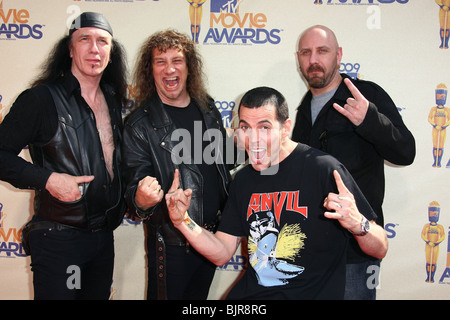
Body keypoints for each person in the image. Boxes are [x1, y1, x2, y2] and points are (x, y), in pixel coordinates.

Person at [165, 86, 388, 300]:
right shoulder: (243, 180)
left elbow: (380, 248)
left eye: (264, 127)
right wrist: (183, 221)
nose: (253, 140)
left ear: (285, 128)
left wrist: (359, 224)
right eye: (245, 127)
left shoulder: (323, 169)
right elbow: (222, 252)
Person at [0, 12, 127, 299]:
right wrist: (48, 179)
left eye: (103, 41)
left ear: (111, 52)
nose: (95, 49)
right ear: (69, 49)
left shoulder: (112, 98)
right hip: (59, 239)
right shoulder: (41, 99)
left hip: (103, 238)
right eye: (85, 39)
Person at [292, 25, 415, 299]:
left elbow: (406, 152)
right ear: (299, 58)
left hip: (355, 252)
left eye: (322, 51)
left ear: (339, 55)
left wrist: (370, 120)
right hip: (309, 249)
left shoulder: (365, 94)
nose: (314, 60)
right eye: (306, 52)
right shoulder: (303, 109)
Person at [122, 29, 235, 300]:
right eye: (160, 61)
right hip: (173, 245)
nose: (169, 69)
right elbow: (134, 200)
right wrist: (142, 197)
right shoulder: (139, 125)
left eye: (177, 60)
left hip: (211, 238)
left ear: (189, 67)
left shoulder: (206, 106)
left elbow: (220, 161)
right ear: (151, 70)